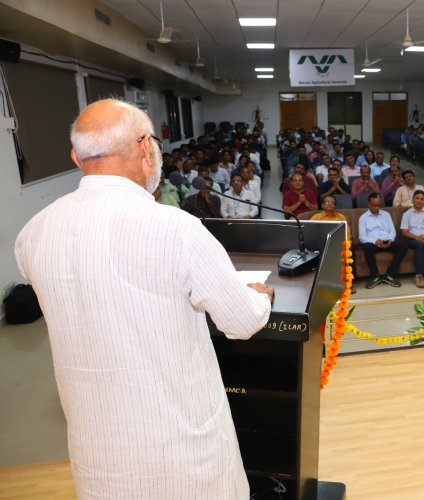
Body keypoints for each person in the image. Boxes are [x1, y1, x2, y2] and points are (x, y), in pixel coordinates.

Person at [14, 99, 273, 499]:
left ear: (76, 157)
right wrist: (259, 298)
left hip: (97, 452)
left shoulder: (33, 232)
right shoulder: (175, 229)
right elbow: (240, 322)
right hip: (179, 449)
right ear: (143, 149)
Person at [358, 193, 408, 288]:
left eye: (378, 205)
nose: (376, 207)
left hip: (387, 241)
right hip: (373, 243)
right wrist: (375, 241)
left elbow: (392, 230)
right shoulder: (363, 218)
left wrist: (390, 240)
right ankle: (375, 276)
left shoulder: (386, 215)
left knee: (404, 245)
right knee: (367, 247)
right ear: (369, 204)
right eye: (374, 205)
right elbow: (362, 237)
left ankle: (389, 275)